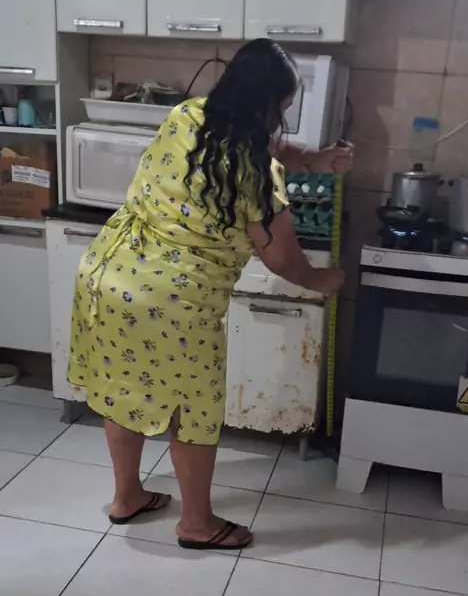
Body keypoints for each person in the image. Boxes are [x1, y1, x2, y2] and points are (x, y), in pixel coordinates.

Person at [68, 38, 352, 551]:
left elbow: (259, 144)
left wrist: (313, 159)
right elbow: (282, 259)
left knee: (123, 389)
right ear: (267, 106)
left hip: (109, 273)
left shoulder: (188, 115)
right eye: (283, 108)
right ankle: (196, 525)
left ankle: (127, 497)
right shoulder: (257, 174)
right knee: (192, 411)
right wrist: (323, 280)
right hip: (174, 302)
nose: (282, 119)